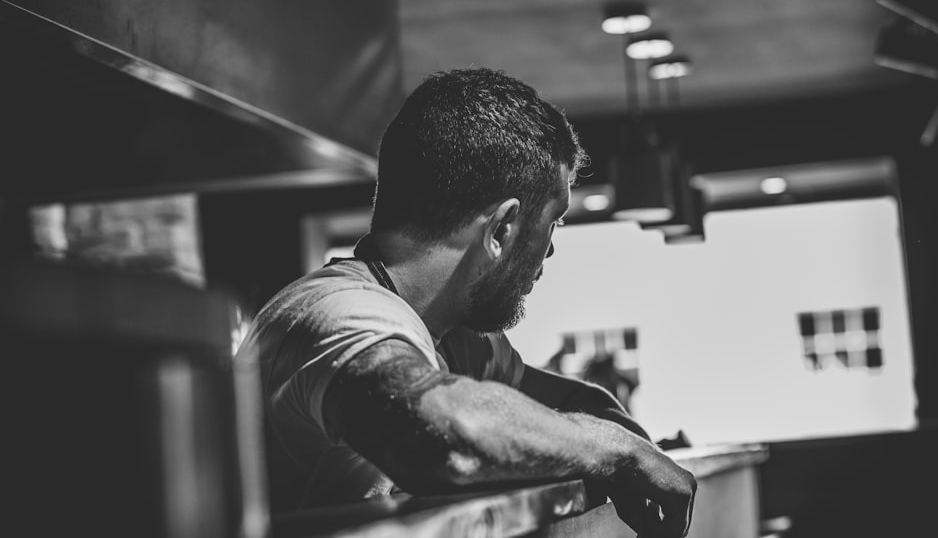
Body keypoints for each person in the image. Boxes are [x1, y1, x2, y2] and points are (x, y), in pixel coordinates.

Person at [235, 67, 696, 536]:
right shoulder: (338, 314)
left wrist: (623, 435)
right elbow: (442, 438)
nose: (552, 249)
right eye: (554, 222)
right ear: (501, 229)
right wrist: (615, 447)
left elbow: (561, 402)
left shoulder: (455, 337)